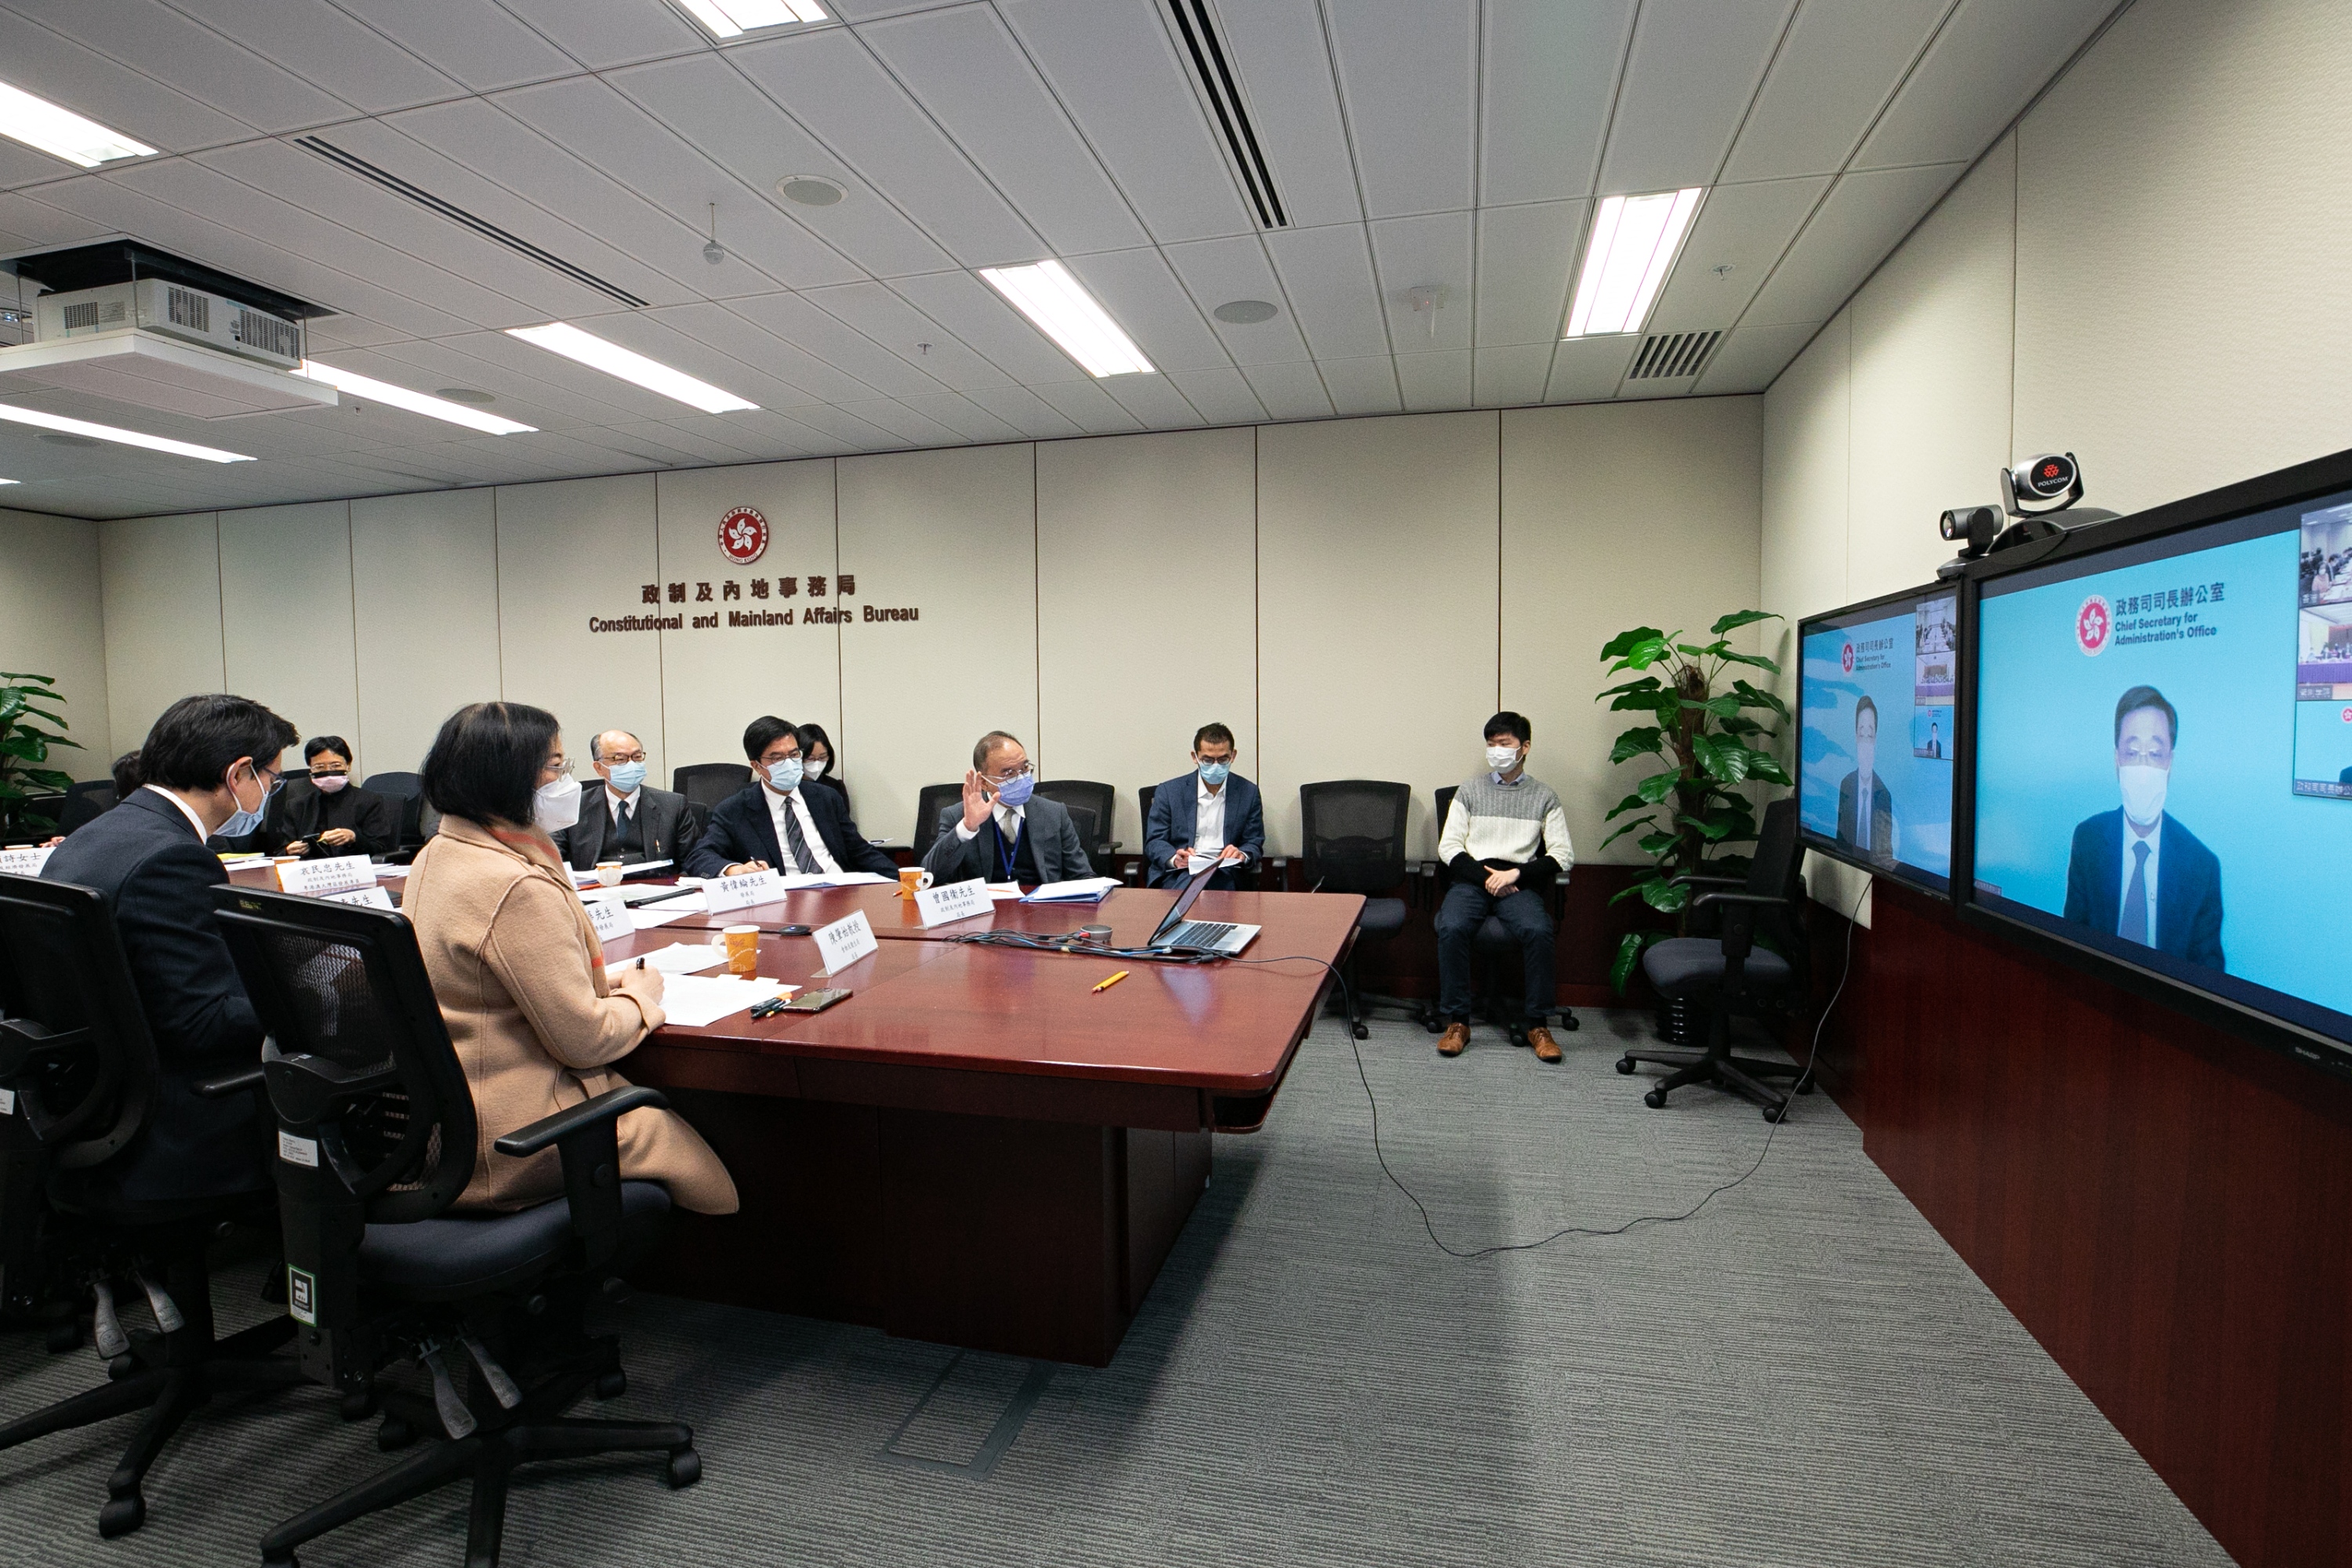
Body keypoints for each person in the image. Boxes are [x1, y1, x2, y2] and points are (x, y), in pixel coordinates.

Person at [402, 702, 736, 1215]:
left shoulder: (438, 853)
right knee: (693, 1156)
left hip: (450, 1121)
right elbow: (586, 1041)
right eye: (556, 766)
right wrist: (641, 999)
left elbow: (494, 984)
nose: (565, 781)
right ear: (509, 778)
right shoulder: (514, 883)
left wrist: (603, 983)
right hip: (518, 1135)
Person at [42, 693, 297, 1202]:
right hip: (173, 1122)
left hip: (86, 1099)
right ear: (238, 774)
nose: (271, 791)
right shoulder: (173, 857)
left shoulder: (94, 834)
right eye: (272, 778)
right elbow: (202, 1022)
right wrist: (307, 999)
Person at [1432, 712, 1574, 1063]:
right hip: (1474, 879)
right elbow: (1448, 848)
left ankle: (1538, 1025)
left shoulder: (1544, 795)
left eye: (1504, 743)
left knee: (1538, 930)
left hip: (1517, 882)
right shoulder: (1469, 790)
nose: (1496, 750)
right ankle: (1458, 1022)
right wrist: (1488, 878)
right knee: (1451, 926)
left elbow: (1563, 855)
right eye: (1491, 744)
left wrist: (1515, 876)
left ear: (1524, 747)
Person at [2062, 684, 2223, 970]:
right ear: (2117, 759)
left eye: (2155, 754)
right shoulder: (2088, 841)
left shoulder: (2202, 867)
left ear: (2170, 762)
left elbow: (2207, 976)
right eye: (2133, 752)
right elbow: (2071, 947)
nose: (2143, 767)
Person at [684, 715, 896, 880]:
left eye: (794, 755)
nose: (789, 763)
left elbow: (859, 851)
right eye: (777, 758)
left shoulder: (826, 798)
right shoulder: (735, 810)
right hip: (787, 901)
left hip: (840, 892)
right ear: (756, 766)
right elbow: (699, 856)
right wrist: (735, 869)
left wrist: (904, 879)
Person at [921, 731, 1094, 887]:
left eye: (1025, 768)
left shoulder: (1054, 813)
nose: (1021, 778)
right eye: (1008, 773)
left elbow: (1083, 876)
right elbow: (930, 876)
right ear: (984, 783)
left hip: (1042, 908)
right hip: (986, 909)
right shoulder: (957, 816)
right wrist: (968, 827)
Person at [1145, 722, 1264, 891]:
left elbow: (1254, 841)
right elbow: (1155, 841)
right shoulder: (1170, 792)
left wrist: (1241, 854)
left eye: (1223, 759)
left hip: (1226, 871)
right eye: (1207, 760)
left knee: (1216, 886)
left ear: (1233, 756)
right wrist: (1174, 859)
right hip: (1182, 871)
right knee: (1189, 886)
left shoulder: (1248, 793)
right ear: (1195, 757)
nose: (1216, 766)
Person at [557, 728, 698, 871]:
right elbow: (553, 860)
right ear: (599, 768)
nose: (632, 765)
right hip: (595, 884)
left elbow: (694, 861)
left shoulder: (674, 806)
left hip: (655, 882)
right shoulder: (574, 806)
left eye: (637, 757)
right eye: (620, 759)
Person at [267, 735, 398, 860]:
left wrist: (354, 838)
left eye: (335, 766)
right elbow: (280, 852)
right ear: (311, 770)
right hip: (310, 870)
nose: (328, 772)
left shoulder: (369, 801)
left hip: (351, 868)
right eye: (319, 767)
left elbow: (381, 848)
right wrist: (289, 851)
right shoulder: (296, 806)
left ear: (348, 766)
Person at [1834, 695, 1896, 866]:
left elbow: (1885, 858)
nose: (1866, 742)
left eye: (1870, 734)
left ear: (1875, 739)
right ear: (1856, 737)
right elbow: (1840, 844)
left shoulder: (1883, 794)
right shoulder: (1846, 785)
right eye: (1862, 734)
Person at [796, 721, 848, 800]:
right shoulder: (788, 787)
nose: (817, 763)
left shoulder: (835, 787)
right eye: (810, 759)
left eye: (822, 757)